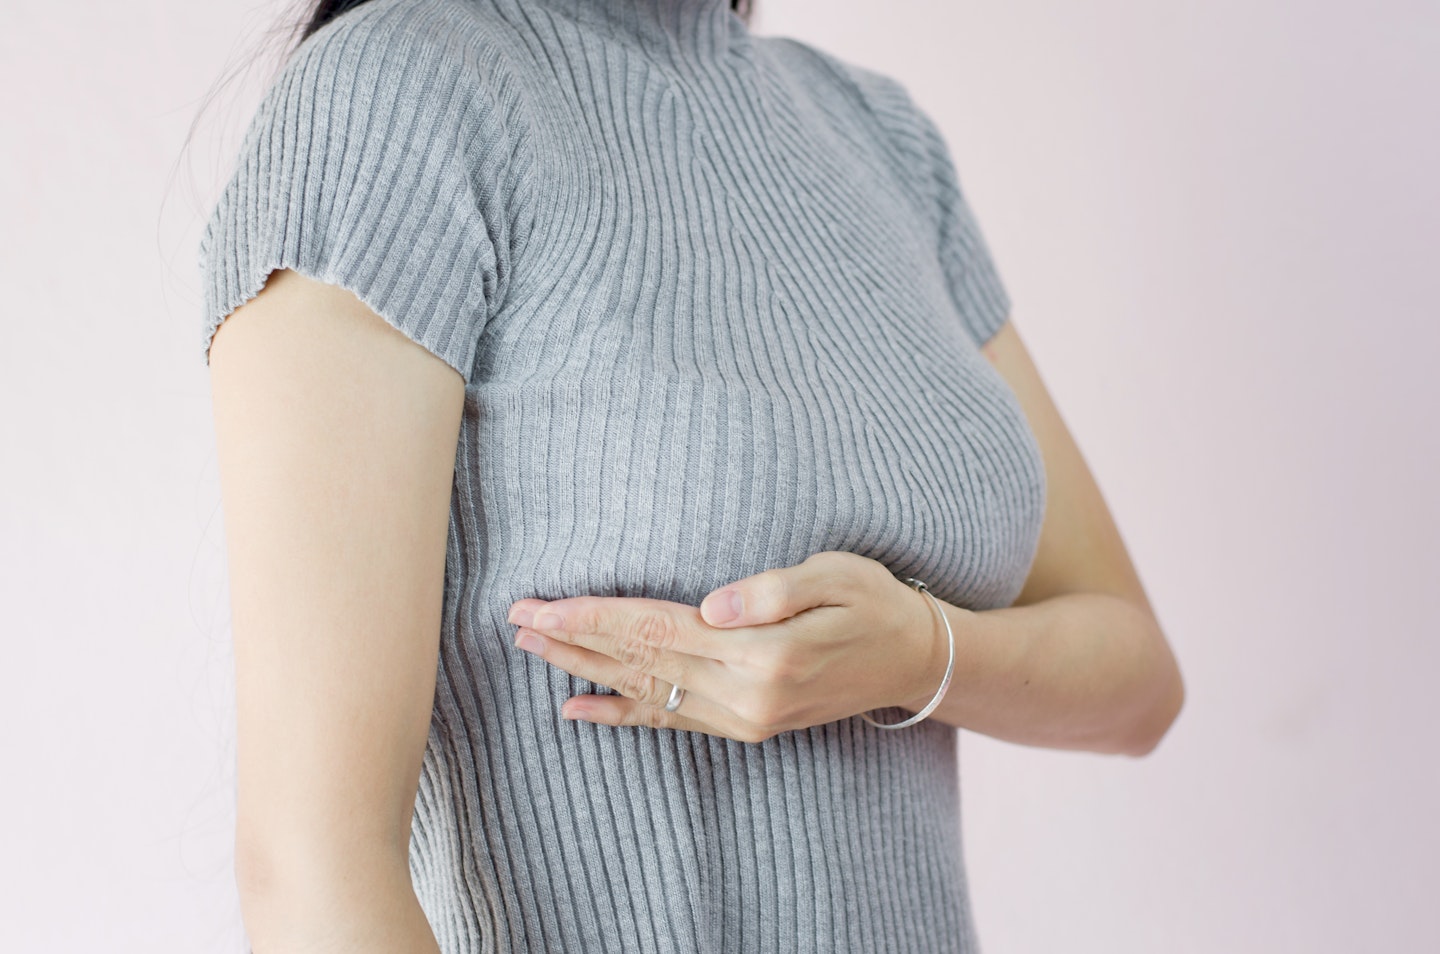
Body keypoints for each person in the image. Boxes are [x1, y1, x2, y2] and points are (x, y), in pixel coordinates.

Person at [199, 0, 1185, 951]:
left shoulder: (880, 135)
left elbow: (1138, 679)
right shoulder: (393, 93)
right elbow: (311, 873)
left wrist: (917, 656)